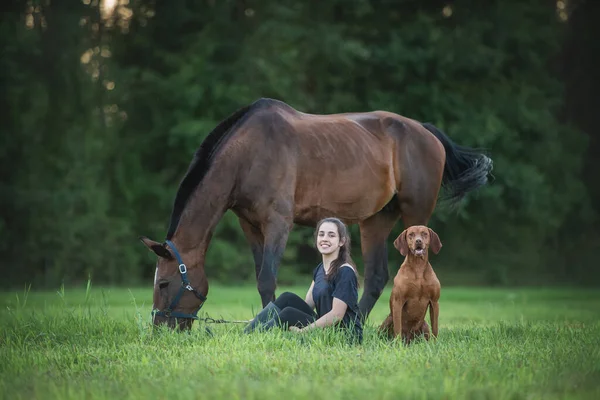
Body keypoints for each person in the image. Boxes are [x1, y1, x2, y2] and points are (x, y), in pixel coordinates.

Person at [243, 217, 363, 343]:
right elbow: (307, 305)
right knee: (288, 298)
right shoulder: (320, 269)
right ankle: (249, 331)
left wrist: (304, 331)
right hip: (326, 327)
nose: (325, 239)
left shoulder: (345, 271)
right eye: (321, 234)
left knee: (288, 313)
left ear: (341, 241)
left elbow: (337, 315)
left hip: (344, 334)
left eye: (331, 235)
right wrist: (266, 317)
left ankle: (252, 338)